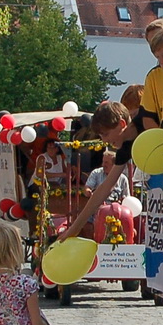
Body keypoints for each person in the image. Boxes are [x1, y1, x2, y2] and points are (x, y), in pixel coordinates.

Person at [60, 103, 140, 241]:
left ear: (122, 124)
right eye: (101, 136)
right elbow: (104, 188)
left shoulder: (145, 124)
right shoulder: (124, 150)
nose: (105, 140)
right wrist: (74, 229)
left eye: (106, 134)